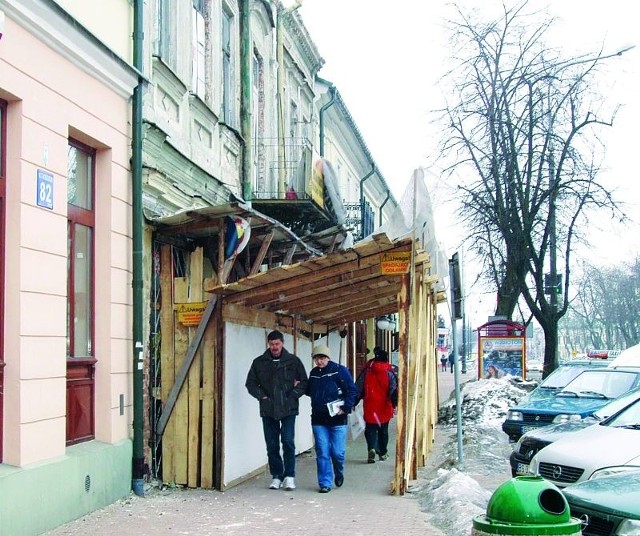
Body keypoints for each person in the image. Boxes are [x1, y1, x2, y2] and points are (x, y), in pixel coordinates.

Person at [245, 330, 308, 491]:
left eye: (277, 344)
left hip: (288, 408)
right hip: (268, 409)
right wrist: (262, 397)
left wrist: (293, 395)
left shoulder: (293, 361)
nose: (274, 347)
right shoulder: (259, 362)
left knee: (287, 441)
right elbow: (250, 383)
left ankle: (289, 476)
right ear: (268, 344)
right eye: (272, 344)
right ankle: (277, 476)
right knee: (271, 445)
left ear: (282, 343)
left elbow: (304, 382)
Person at [306, 344, 358, 493]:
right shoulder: (314, 373)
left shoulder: (340, 371)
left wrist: (345, 408)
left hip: (338, 419)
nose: (319, 361)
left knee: (338, 452)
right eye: (317, 358)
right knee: (322, 451)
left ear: (328, 358)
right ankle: (325, 483)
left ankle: (339, 472)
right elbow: (310, 391)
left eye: (322, 358)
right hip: (318, 419)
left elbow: (352, 390)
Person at [355, 349, 398, 463]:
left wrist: (353, 402)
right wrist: (395, 404)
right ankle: (383, 453)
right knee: (383, 430)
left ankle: (372, 448)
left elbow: (358, 387)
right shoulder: (389, 371)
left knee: (370, 429)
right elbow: (394, 390)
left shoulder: (367, 369)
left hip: (370, 405)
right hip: (384, 405)